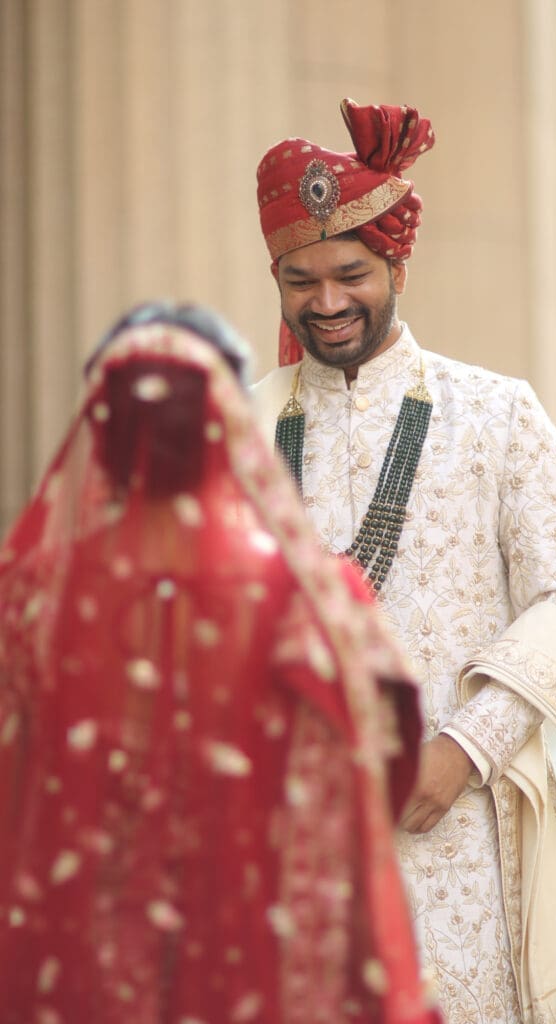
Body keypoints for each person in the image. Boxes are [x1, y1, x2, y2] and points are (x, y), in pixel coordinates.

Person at [252, 99, 556, 1024]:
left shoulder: (497, 414)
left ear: (396, 267)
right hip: (286, 830)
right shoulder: (241, 425)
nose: (327, 302)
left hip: (454, 832)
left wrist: (465, 749)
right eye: (300, 280)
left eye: (351, 274)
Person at [0, 301, 442, 1024]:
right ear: (232, 426)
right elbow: (384, 766)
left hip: (77, 962)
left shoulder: (26, 603)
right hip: (257, 960)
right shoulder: (312, 607)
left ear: (101, 433)